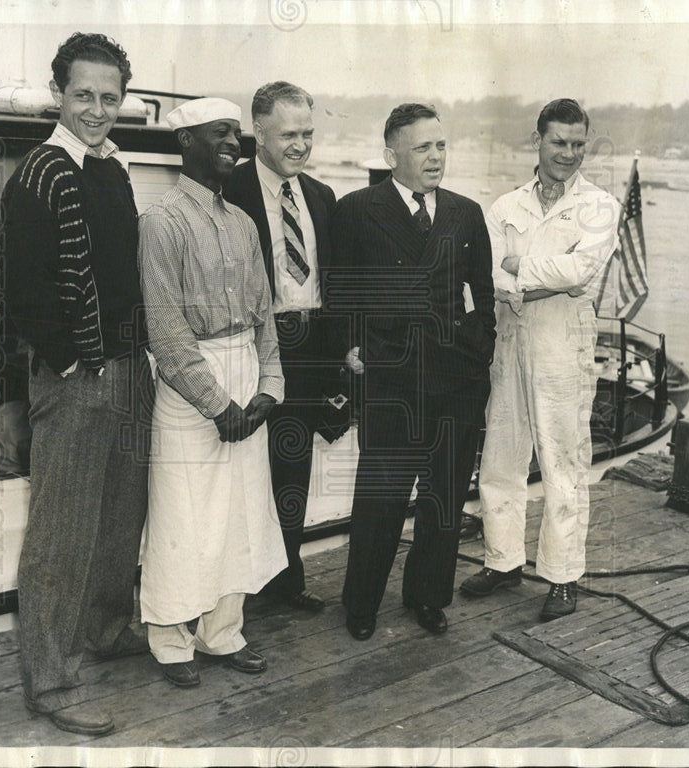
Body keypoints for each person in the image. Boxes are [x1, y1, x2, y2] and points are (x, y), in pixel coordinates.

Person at [2, 33, 152, 735]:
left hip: (128, 368)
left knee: (121, 515)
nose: (97, 109)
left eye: (110, 97)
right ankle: (51, 679)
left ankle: (104, 631)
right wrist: (67, 361)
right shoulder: (42, 172)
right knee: (61, 532)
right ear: (59, 93)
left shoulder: (112, 170)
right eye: (84, 95)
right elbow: (23, 293)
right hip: (78, 375)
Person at [330, 103, 496, 641]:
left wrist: (476, 356)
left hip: (456, 382)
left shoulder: (466, 213)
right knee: (380, 501)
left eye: (441, 146)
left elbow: (484, 300)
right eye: (423, 147)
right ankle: (361, 604)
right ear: (391, 153)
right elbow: (341, 297)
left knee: (443, 499)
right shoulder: (357, 210)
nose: (435, 157)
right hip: (392, 383)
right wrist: (356, 357)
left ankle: (428, 596)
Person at [138, 97, 288, 688]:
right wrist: (215, 403)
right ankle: (171, 641)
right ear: (185, 142)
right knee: (184, 513)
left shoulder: (243, 223)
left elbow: (264, 318)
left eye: (236, 133)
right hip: (189, 385)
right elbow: (165, 327)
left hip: (245, 374)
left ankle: (222, 632)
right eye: (219, 133)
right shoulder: (161, 221)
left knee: (240, 515)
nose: (233, 142)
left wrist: (269, 387)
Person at [458, 98, 619, 621]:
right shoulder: (505, 207)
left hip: (562, 349)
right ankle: (503, 560)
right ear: (538, 141)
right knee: (501, 458)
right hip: (509, 343)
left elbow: (581, 272)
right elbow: (490, 276)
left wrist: (520, 268)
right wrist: (533, 275)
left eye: (577, 144)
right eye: (558, 142)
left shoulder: (599, 206)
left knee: (562, 464)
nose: (568, 153)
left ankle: (563, 575)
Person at [222, 81, 347, 614]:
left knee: (292, 468)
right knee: (243, 471)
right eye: (288, 134)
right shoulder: (228, 190)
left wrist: (341, 355)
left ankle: (285, 582)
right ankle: (234, 592)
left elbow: (331, 283)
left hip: (310, 345)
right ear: (259, 133)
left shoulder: (320, 196)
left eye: (308, 133)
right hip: (255, 347)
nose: (301, 145)